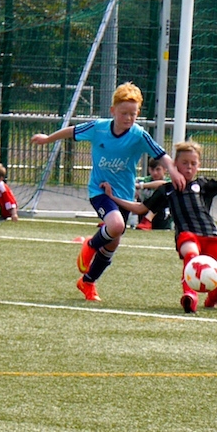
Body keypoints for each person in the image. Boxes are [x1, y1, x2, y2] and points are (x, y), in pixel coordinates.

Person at [30, 82, 185, 302]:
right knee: (116, 226)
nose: (128, 118)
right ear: (113, 111)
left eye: (133, 114)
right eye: (124, 113)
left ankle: (87, 282)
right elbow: (72, 131)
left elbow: (161, 154)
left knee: (113, 242)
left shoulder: (138, 135)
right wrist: (48, 138)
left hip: (123, 194)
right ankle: (90, 245)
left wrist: (173, 171)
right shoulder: (99, 128)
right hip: (99, 190)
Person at [102, 140, 217, 314]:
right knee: (191, 252)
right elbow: (140, 208)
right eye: (184, 163)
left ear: (198, 166)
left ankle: (210, 301)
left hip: (212, 236)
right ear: (175, 165)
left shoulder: (203, 185)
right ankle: (190, 295)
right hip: (187, 234)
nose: (189, 167)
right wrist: (113, 197)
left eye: (193, 163)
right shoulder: (167, 190)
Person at [134, 157, 172, 231]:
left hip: (163, 219)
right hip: (143, 213)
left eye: (158, 169)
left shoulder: (169, 182)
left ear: (165, 169)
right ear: (149, 169)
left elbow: (164, 184)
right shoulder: (144, 180)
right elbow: (131, 183)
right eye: (152, 169)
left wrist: (141, 186)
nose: (155, 173)